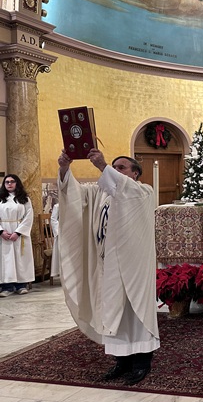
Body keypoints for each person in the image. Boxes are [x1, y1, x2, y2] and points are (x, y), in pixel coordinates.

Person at [57, 148, 159, 385]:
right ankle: (121, 361)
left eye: (121, 167)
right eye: (114, 167)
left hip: (133, 267)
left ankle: (142, 363)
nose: (116, 170)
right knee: (112, 312)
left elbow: (125, 192)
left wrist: (103, 166)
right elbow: (74, 196)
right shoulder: (101, 194)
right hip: (108, 265)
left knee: (135, 313)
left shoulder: (143, 192)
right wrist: (64, 168)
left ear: (135, 173)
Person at [0, 174, 34, 296]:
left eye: (12, 181)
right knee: (6, 260)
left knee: (20, 259)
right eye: (7, 182)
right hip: (4, 234)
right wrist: (1, 231)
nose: (9, 184)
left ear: (17, 183)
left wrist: (18, 232)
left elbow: (29, 216)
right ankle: (7, 287)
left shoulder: (24, 199)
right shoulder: (0, 198)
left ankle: (21, 285)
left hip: (19, 233)